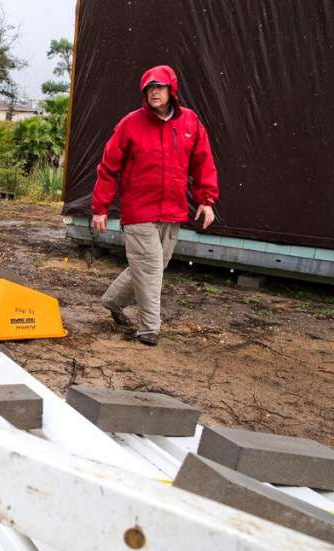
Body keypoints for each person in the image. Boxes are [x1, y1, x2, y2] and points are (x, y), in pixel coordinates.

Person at [92, 65, 219, 346]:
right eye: (149, 88)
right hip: (139, 211)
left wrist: (206, 201)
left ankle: (112, 301)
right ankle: (150, 328)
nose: (154, 92)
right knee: (149, 267)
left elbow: (203, 162)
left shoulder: (189, 122)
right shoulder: (130, 124)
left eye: (159, 87)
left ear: (171, 90)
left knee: (153, 266)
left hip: (172, 210)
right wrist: (100, 207)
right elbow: (108, 167)